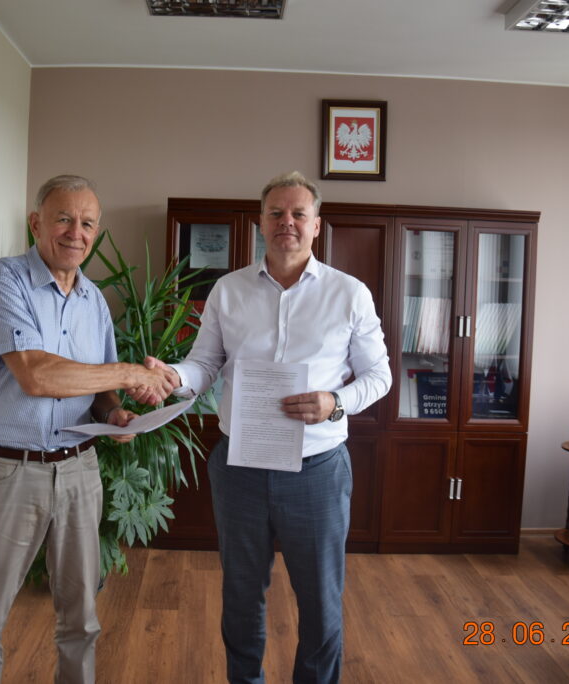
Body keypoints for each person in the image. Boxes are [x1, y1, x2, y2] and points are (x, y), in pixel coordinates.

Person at [144, 171, 391, 683]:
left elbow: (379, 376)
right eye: (276, 213)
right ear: (261, 222)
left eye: (299, 213)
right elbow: (204, 365)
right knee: (240, 596)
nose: (287, 222)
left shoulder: (349, 294)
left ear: (316, 225)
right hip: (240, 469)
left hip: (317, 470)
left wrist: (335, 402)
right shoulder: (228, 290)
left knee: (320, 601)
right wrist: (174, 377)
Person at [0, 174, 175, 684]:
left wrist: (115, 415)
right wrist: (128, 373)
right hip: (8, 473)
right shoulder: (2, 282)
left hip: (79, 472)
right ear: (36, 223)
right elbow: (37, 375)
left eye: (87, 224)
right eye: (63, 219)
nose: (76, 233)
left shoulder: (93, 301)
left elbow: (98, 392)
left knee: (81, 619)